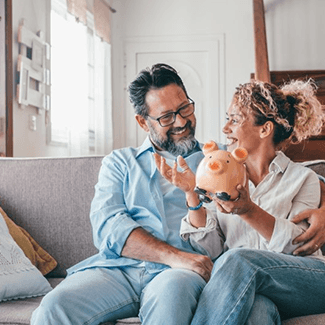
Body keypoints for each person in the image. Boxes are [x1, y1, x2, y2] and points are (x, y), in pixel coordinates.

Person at [31, 64, 325, 325]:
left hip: (180, 277)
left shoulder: (218, 163)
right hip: (118, 270)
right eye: (167, 117)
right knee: (52, 309)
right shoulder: (120, 162)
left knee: (176, 303)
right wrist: (175, 255)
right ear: (143, 122)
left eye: (185, 108)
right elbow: (109, 225)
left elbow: (294, 177)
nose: (182, 121)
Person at [155, 78, 325, 324]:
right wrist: (192, 193)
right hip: (259, 289)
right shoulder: (222, 176)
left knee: (238, 259)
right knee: (258, 312)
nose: (225, 129)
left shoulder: (302, 179)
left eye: (234, 119)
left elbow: (299, 245)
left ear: (264, 129)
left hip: (306, 280)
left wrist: (247, 211)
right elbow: (210, 250)